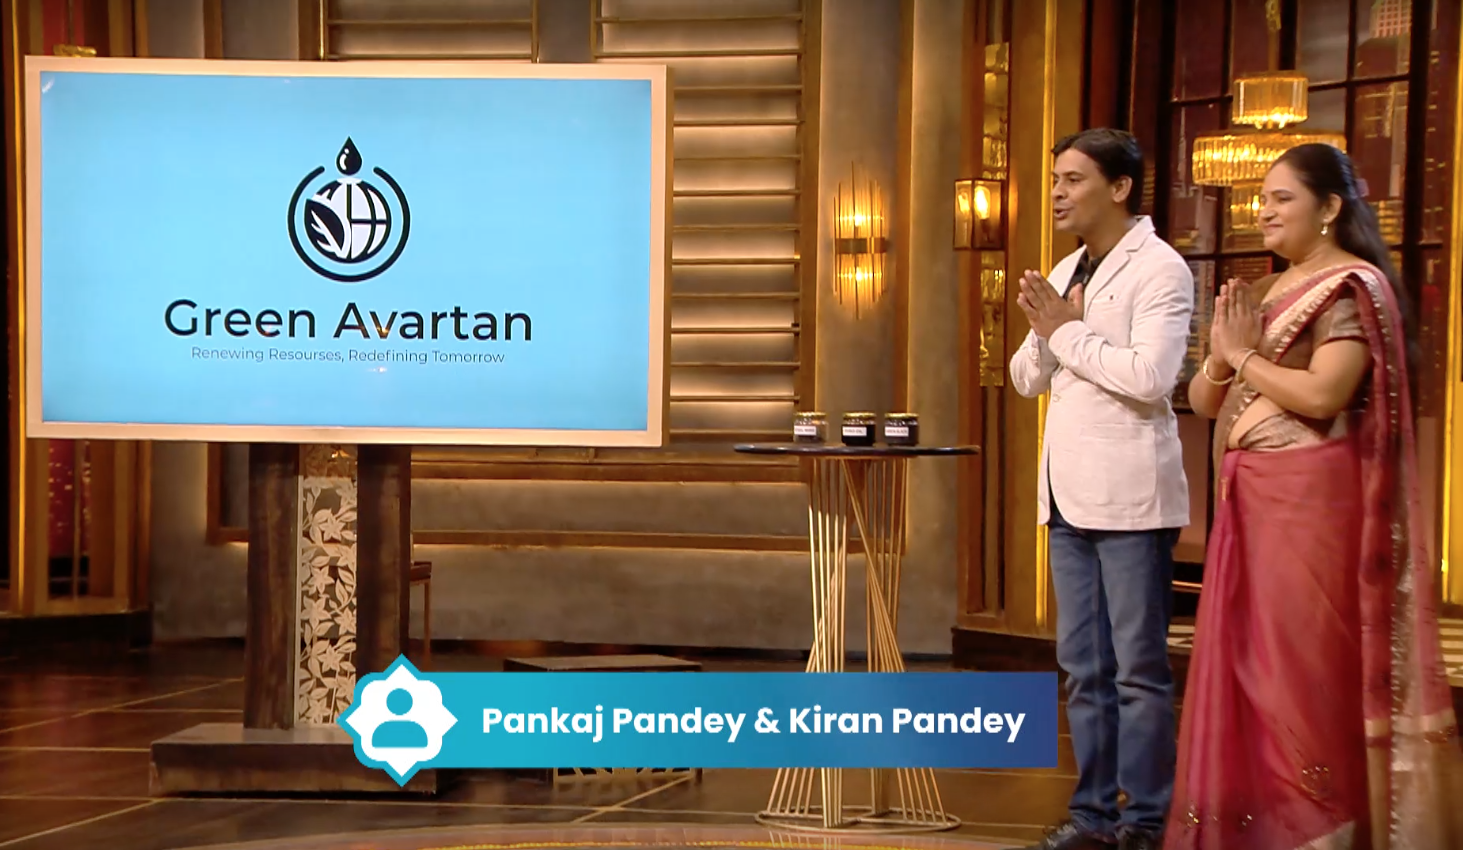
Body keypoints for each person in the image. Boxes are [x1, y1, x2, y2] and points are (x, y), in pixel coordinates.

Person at [1165, 142, 1463, 850]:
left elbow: (1326, 393)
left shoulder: (1349, 287)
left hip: (1308, 503)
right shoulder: (1267, 290)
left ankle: (1317, 829)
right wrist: (1221, 356)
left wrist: (1243, 357)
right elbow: (1204, 401)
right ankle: (1257, 826)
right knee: (1245, 665)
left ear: (1329, 207)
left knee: (1295, 668)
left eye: (1281, 198)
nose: (1263, 211)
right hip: (1250, 502)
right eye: (1261, 199)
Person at [1010, 128, 1195, 850]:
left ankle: (1144, 821)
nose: (1057, 193)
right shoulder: (1066, 268)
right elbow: (1026, 379)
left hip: (1130, 499)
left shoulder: (1161, 269)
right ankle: (1092, 815)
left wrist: (1067, 334)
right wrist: (1046, 331)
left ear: (1119, 188)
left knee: (1137, 673)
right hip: (1065, 497)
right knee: (1083, 669)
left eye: (1073, 179)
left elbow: (1151, 377)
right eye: (1055, 179)